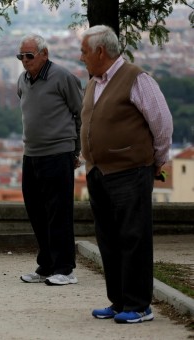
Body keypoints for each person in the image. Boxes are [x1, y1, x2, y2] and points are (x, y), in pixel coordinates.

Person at [79, 25, 173, 324]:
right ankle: (119, 301)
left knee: (134, 237)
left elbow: (161, 121)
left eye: (83, 52)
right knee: (108, 239)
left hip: (130, 171)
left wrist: (158, 159)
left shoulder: (136, 78)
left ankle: (139, 304)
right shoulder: (94, 82)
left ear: (100, 51)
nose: (81, 58)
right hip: (99, 172)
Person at [16, 34, 83, 286]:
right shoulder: (22, 80)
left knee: (59, 212)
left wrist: (77, 151)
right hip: (31, 153)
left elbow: (81, 113)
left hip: (58, 153)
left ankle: (65, 268)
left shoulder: (63, 78)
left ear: (45, 54)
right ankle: (46, 265)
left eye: (29, 55)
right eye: (21, 56)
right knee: (36, 210)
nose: (24, 60)